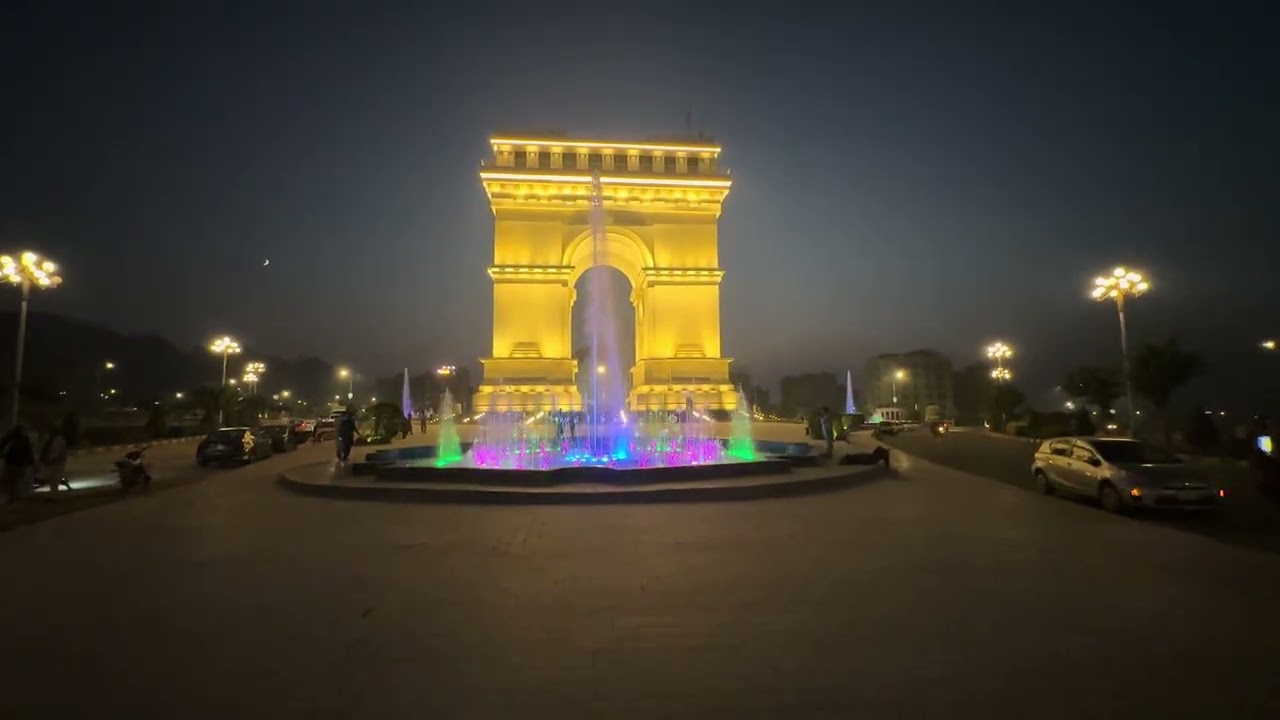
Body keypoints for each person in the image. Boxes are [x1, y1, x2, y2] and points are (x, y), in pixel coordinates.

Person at [1, 423, 36, 503]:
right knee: (16, 481)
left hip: (11, 463)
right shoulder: (25, 441)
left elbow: (3, 450)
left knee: (10, 481)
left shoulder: (10, 439)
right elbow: (29, 453)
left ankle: (10, 497)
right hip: (19, 464)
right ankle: (13, 497)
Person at [38, 420, 72, 498]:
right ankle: (56, 494)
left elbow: (55, 452)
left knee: (54, 480)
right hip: (56, 462)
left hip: (56, 463)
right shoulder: (58, 439)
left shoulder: (57, 440)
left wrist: (50, 459)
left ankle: (54, 496)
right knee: (55, 478)